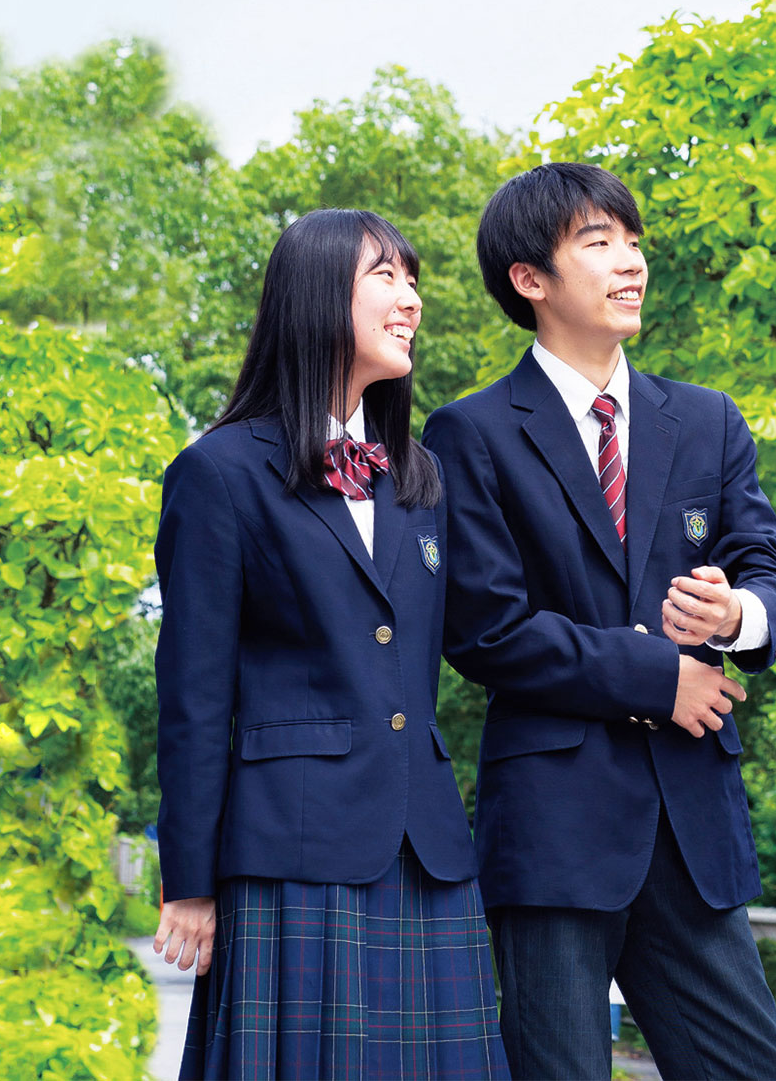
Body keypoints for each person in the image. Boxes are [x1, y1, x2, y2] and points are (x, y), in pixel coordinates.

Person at [423, 162, 776, 1079]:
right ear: (530, 278)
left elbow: (771, 578)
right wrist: (658, 677)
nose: (630, 262)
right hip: (554, 824)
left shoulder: (708, 421)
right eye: (599, 242)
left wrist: (739, 611)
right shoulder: (469, 433)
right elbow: (486, 629)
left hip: (692, 819)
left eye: (633, 242)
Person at [152, 209, 509, 1079]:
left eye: (412, 278)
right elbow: (194, 696)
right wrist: (190, 880)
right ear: (318, 298)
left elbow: (480, 631)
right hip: (293, 851)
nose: (411, 300)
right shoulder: (220, 473)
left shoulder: (418, 477)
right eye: (384, 277)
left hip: (426, 848)